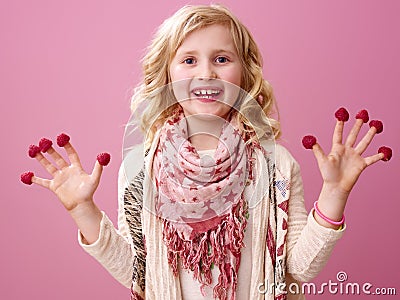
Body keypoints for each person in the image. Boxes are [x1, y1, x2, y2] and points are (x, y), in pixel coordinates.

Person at [24, 4, 389, 300]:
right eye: (188, 60)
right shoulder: (139, 168)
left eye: (221, 59)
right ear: (166, 75)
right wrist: (82, 210)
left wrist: (334, 193)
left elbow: (296, 268)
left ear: (246, 74)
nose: (206, 73)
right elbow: (138, 272)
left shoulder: (275, 163)